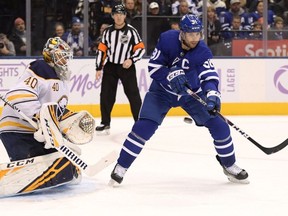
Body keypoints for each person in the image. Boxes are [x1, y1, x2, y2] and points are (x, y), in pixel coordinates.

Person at [109, 14, 249, 186]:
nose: (195, 38)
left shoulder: (203, 51)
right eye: (191, 34)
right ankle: (121, 166)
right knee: (143, 128)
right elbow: (153, 67)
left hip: (191, 95)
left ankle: (229, 165)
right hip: (161, 92)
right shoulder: (168, 39)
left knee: (219, 126)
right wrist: (169, 76)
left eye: (198, 34)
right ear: (182, 33)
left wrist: (212, 94)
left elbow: (209, 76)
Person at [0, 37, 95, 197]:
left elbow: (54, 112)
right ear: (50, 54)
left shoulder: (62, 79)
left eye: (66, 55)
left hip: (35, 133)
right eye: (61, 54)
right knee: (45, 166)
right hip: (17, 129)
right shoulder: (41, 67)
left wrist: (68, 122)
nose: (64, 58)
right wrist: (38, 116)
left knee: (64, 164)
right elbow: (16, 95)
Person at [95, 3, 145, 135]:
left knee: (133, 95)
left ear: (125, 15)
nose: (118, 17)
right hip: (111, 66)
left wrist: (132, 59)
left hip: (126, 66)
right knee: (106, 95)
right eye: (116, 14)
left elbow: (140, 48)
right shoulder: (107, 32)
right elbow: (102, 50)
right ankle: (105, 122)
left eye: (121, 14)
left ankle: (139, 123)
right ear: (112, 16)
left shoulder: (131, 31)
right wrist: (98, 68)